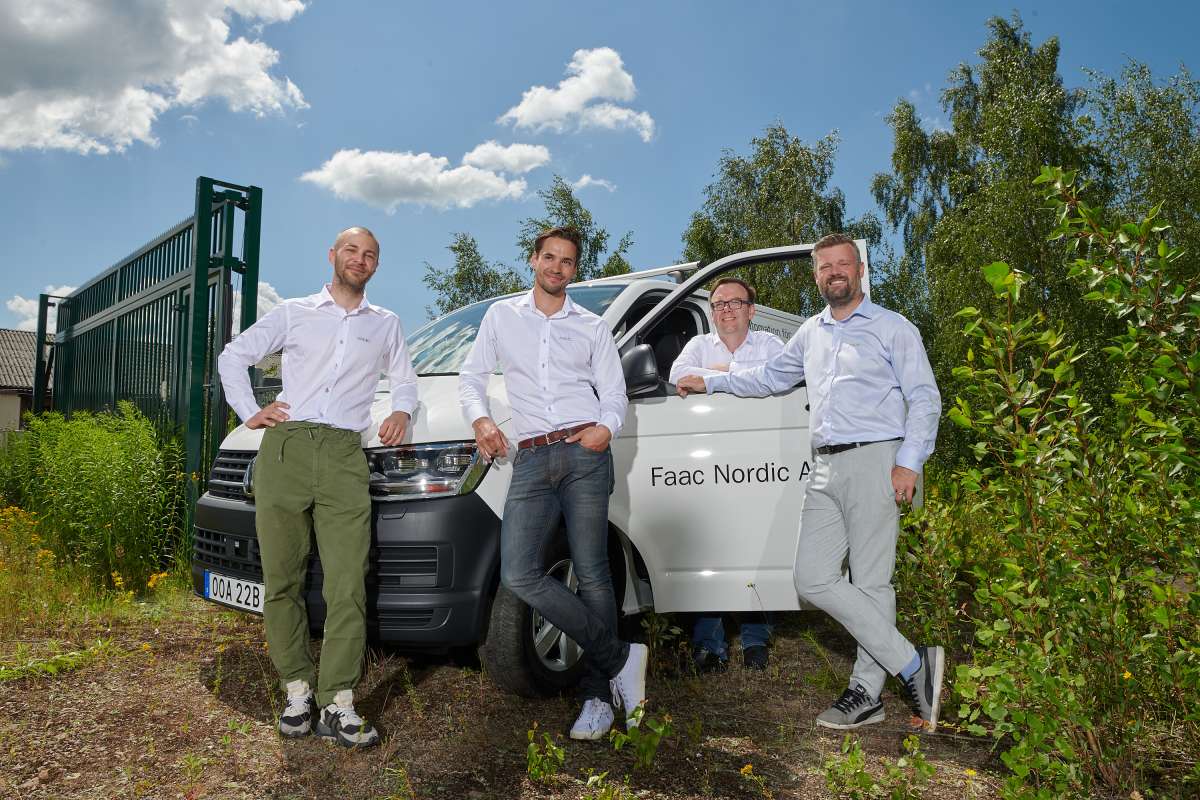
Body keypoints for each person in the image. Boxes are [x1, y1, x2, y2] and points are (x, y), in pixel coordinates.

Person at [675, 233, 945, 731]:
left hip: (876, 459)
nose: (834, 273)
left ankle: (867, 692)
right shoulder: (811, 334)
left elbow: (925, 399)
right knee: (811, 577)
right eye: (825, 267)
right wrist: (712, 381)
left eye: (843, 264)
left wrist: (909, 462)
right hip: (823, 464)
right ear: (816, 275)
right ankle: (911, 663)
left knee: (871, 582)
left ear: (859, 270)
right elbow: (769, 377)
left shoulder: (893, 328)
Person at [217, 227, 417, 749]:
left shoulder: (387, 324)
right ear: (332, 256)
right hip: (287, 449)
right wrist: (250, 411)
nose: (361, 259)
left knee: (347, 581)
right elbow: (233, 357)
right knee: (281, 579)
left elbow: (405, 379)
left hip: (345, 456)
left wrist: (400, 408)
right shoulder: (294, 312)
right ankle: (298, 691)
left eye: (370, 253)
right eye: (351, 250)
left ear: (376, 265)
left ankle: (339, 702)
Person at [459, 225, 648, 741]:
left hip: (586, 455)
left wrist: (603, 430)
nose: (557, 268)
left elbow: (614, 394)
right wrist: (481, 421)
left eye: (567, 262)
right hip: (532, 458)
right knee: (520, 573)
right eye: (550, 258)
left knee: (593, 573)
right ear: (533, 260)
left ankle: (595, 696)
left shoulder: (590, 326)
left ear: (574, 269)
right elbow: (472, 378)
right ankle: (619, 659)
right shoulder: (502, 316)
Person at [668, 276, 783, 672]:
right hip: (710, 463)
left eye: (735, 302)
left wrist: (715, 377)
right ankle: (710, 646)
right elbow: (679, 376)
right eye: (718, 304)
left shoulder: (770, 345)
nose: (727, 309)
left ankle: (756, 641)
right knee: (711, 547)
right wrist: (741, 377)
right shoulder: (697, 345)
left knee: (755, 548)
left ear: (751, 310)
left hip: (759, 461)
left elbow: (780, 376)